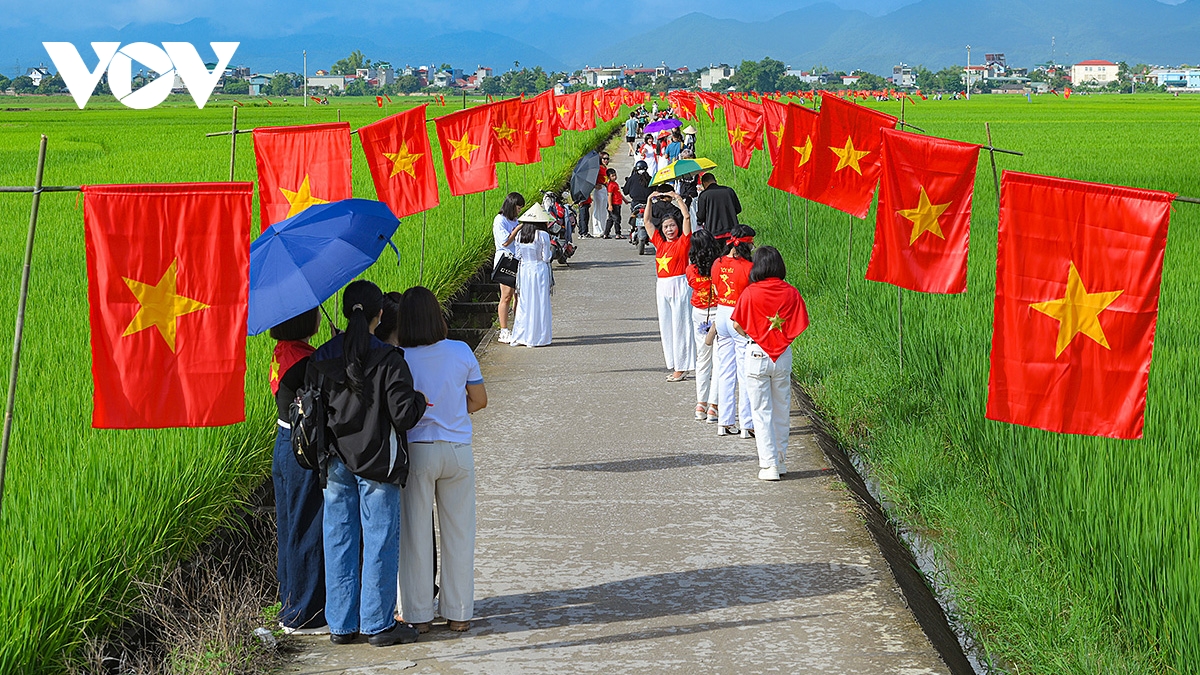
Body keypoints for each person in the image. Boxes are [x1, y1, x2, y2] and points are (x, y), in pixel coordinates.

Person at [310, 280, 427, 647]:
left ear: (347, 313)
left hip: (334, 463)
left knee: (338, 539)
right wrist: (420, 399)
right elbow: (404, 415)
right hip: (378, 462)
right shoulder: (390, 359)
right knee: (379, 540)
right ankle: (378, 624)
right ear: (380, 314)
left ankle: (341, 625)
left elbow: (314, 412)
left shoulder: (322, 357)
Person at [394, 286, 487, 633]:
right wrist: (451, 412)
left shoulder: (399, 356)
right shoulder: (461, 351)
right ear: (437, 316)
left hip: (417, 452)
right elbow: (479, 400)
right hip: (457, 451)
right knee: (459, 533)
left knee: (416, 535)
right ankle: (460, 613)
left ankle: (417, 616)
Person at [270, 308, 327, 635]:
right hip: (301, 448)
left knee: (290, 525)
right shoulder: (305, 362)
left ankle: (289, 603)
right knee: (306, 524)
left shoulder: (284, 352)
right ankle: (304, 613)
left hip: (284, 443)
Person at [732, 246, 810, 481]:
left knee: (761, 412)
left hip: (756, 354)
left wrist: (754, 335)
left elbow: (737, 324)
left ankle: (769, 465)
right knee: (781, 410)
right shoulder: (791, 292)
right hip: (783, 355)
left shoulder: (750, 293)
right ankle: (781, 460)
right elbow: (800, 322)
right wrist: (781, 338)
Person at [711, 224, 756, 438]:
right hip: (740, 317)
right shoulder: (749, 267)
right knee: (745, 371)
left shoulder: (717, 263)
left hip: (721, 315)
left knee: (725, 371)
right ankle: (747, 423)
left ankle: (724, 422)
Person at [648, 190, 695, 381]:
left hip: (680, 285)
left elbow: (686, 217)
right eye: (666, 226)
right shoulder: (659, 243)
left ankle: (682, 367)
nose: (669, 229)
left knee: (680, 326)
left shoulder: (683, 242)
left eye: (672, 226)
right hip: (663, 287)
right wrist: (650, 200)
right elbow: (647, 222)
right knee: (667, 327)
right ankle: (674, 364)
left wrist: (677, 198)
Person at [686, 231, 723, 423]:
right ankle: (714, 406)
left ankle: (700, 403)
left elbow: (691, 284)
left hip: (700, 314)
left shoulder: (691, 269)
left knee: (702, 359)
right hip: (719, 313)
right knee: (719, 360)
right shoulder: (719, 266)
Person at [505, 204, 554, 347]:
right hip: (539, 270)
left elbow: (518, 255)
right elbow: (546, 257)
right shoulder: (543, 235)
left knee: (524, 302)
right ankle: (537, 336)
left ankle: (522, 335)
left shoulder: (520, 234)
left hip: (525, 270)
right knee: (539, 302)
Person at [493, 192, 525, 344]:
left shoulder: (514, 220)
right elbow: (505, 241)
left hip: (517, 259)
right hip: (505, 260)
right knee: (506, 295)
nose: (519, 211)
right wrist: (518, 228)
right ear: (512, 206)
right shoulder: (500, 220)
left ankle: (518, 326)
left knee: (518, 295)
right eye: (518, 208)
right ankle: (504, 330)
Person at [694, 173, 742, 241]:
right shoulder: (729, 190)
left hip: (713, 233)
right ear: (715, 181)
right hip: (732, 231)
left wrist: (699, 221)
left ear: (704, 183)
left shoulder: (704, 195)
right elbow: (738, 209)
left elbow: (701, 216)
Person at [603, 167, 624, 239]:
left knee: (611, 219)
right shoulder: (611, 185)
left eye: (615, 175)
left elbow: (619, 194)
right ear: (608, 177)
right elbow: (609, 195)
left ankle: (606, 233)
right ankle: (618, 233)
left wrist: (624, 200)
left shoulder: (615, 184)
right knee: (617, 219)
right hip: (614, 204)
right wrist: (610, 205)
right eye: (612, 176)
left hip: (617, 203)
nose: (614, 177)